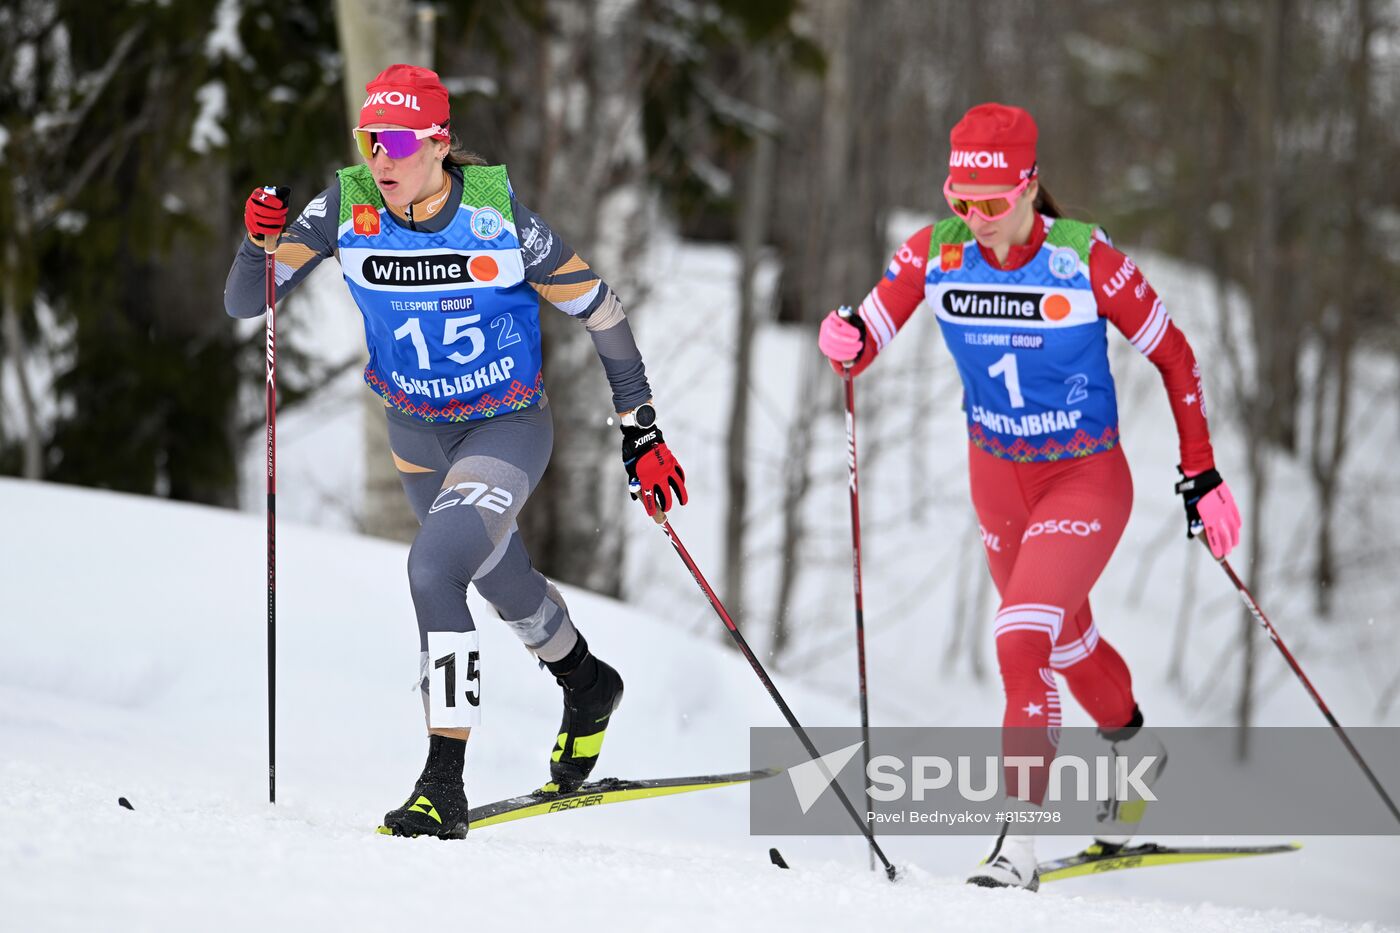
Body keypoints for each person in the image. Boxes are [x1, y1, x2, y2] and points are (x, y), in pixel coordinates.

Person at [224, 64, 687, 839]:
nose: (381, 156)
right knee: (497, 576)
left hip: (504, 427)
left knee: (434, 568)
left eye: (399, 140)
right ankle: (586, 680)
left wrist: (640, 427)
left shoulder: (497, 217)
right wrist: (256, 243)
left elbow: (603, 312)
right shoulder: (346, 206)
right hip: (413, 433)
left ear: (440, 143)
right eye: (369, 138)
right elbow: (249, 300)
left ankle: (443, 781)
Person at [817, 103, 1241, 890]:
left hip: (1084, 475)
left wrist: (1203, 471)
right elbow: (868, 327)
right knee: (1067, 645)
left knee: (1019, 640)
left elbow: (1176, 357)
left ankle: (1017, 846)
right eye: (961, 203)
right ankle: (1132, 756)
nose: (976, 221)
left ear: (1030, 186)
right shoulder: (935, 252)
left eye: (994, 203)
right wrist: (847, 337)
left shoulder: (1085, 259)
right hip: (997, 482)